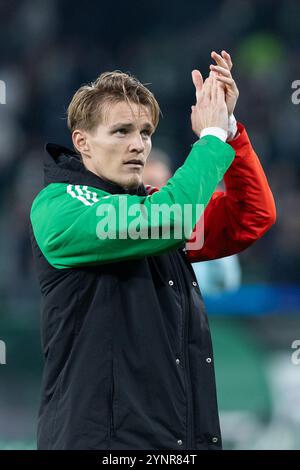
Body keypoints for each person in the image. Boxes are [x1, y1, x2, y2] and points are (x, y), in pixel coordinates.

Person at [30, 50, 276, 450]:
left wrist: (229, 129)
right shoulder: (60, 207)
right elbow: (171, 218)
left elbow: (250, 216)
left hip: (175, 442)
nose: (138, 146)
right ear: (82, 142)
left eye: (145, 133)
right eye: (121, 131)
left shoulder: (155, 216)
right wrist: (210, 140)